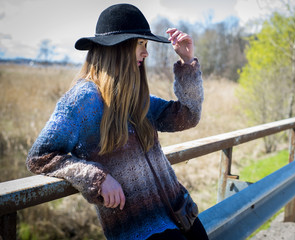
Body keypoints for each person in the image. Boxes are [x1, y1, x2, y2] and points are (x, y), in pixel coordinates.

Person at [26, 3, 208, 240]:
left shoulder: (136, 99)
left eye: (146, 44)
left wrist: (187, 63)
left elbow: (187, 117)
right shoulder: (83, 100)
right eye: (140, 44)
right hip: (141, 230)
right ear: (118, 47)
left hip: (182, 214)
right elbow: (40, 156)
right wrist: (95, 177)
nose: (146, 52)